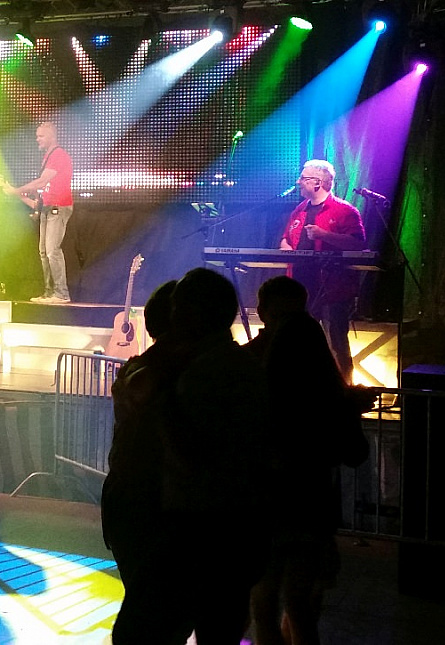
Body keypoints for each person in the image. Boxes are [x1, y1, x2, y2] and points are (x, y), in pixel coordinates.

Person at [111, 268, 270, 644]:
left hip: (199, 529)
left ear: (194, 313)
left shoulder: (202, 371)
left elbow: (194, 453)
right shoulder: (238, 365)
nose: (173, 317)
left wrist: (161, 403)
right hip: (233, 529)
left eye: (179, 308)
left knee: (140, 633)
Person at [243, 275, 348, 645]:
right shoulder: (314, 348)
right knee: (302, 603)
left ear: (264, 310)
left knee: (264, 600)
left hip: (271, 497)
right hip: (312, 496)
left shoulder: (259, 357)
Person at [100, 279, 176, 621]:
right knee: (153, 609)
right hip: (149, 502)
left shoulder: (137, 370)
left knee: (143, 602)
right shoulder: (156, 374)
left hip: (126, 500)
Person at [278, 159, 368, 381]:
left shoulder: (345, 211)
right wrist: (286, 248)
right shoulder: (299, 210)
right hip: (300, 289)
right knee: (301, 344)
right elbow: (286, 239)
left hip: (331, 290)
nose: (298, 182)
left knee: (335, 344)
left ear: (317, 183)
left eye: (303, 178)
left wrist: (324, 235)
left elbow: (358, 244)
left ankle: (344, 390)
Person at [1, 121, 73, 303]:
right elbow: (38, 200)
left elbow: (41, 182)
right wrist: (16, 194)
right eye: (37, 136)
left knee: (52, 251)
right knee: (43, 252)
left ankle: (61, 293)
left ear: (52, 136)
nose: (37, 139)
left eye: (41, 136)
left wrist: (16, 190)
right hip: (47, 207)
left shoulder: (58, 155)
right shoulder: (47, 157)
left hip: (58, 207)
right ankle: (49, 292)